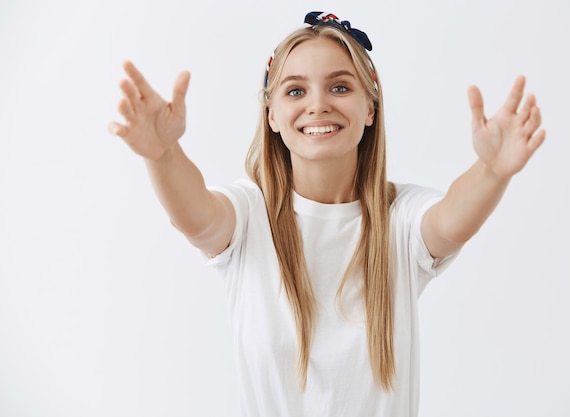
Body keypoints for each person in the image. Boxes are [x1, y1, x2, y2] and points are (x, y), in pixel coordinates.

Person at [109, 11, 545, 417]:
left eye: (340, 87)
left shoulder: (402, 218)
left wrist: (491, 171)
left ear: (370, 108)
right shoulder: (249, 214)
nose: (318, 105)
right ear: (272, 115)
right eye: (295, 90)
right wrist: (163, 155)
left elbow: (450, 223)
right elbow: (199, 218)